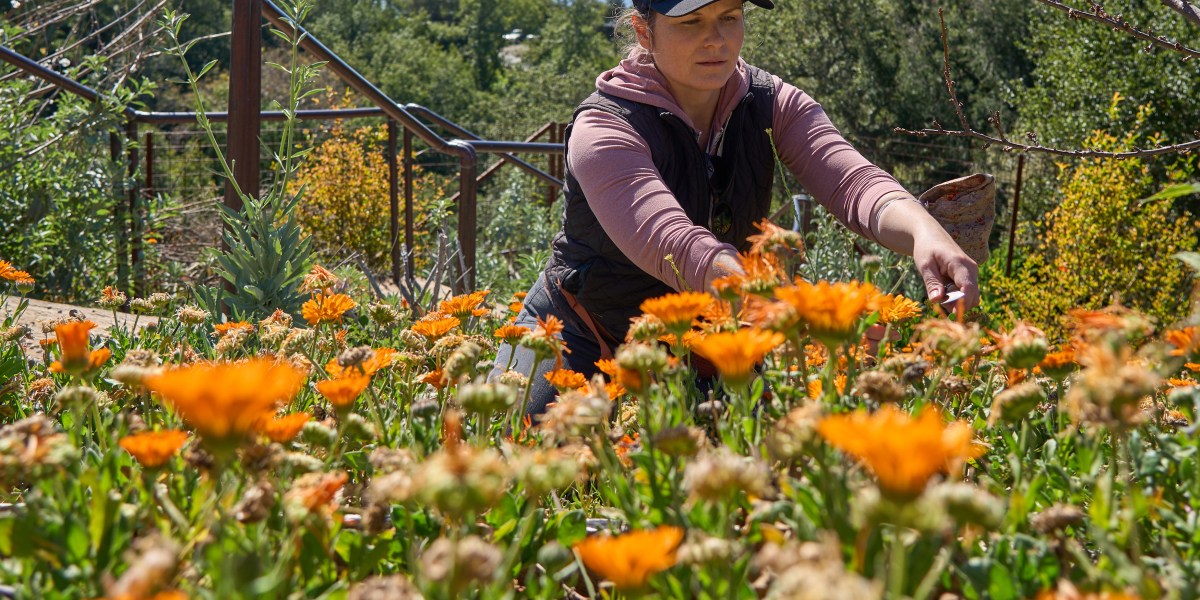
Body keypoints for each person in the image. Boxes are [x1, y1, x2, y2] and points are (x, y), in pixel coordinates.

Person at [492, 0, 980, 415]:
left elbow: (852, 180)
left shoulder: (770, 102)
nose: (717, 39)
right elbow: (676, 247)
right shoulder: (604, 129)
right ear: (644, 30)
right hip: (581, 334)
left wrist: (923, 230)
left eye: (730, 16)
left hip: (711, 344)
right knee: (521, 459)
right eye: (690, 22)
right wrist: (807, 312)